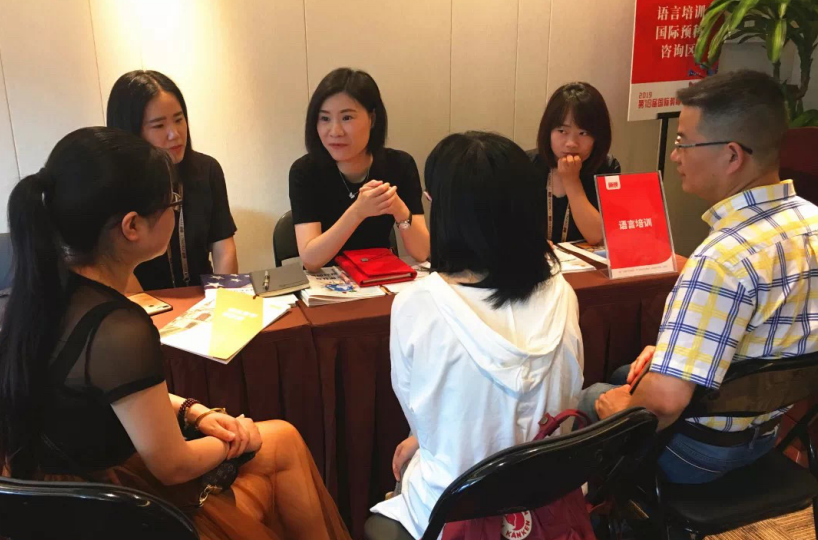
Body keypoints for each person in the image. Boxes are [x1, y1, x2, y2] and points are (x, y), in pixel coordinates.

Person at [0, 127, 351, 540]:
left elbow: (113, 397)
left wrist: (194, 411)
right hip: (111, 513)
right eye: (171, 203)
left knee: (284, 440)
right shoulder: (119, 329)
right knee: (274, 453)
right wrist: (238, 440)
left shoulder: (40, 292)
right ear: (132, 226)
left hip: (58, 499)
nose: (176, 212)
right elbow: (173, 465)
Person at [578, 70, 818, 484]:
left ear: (732, 156)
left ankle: (588, 512)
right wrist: (670, 352)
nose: (676, 156)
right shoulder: (811, 221)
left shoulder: (723, 257)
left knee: (589, 397)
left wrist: (617, 407)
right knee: (626, 373)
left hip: (698, 455)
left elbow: (665, 403)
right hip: (768, 433)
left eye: (684, 143)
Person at [368, 132, 585, 539]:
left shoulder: (417, 304)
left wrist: (424, 440)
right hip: (546, 504)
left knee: (406, 476)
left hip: (454, 512)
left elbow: (419, 414)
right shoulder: (562, 293)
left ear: (441, 210)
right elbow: (564, 404)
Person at [107, 70, 238, 291]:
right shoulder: (114, 184)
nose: (175, 134)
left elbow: (223, 246)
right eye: (159, 126)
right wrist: (151, 311)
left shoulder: (207, 170)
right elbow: (117, 267)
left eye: (179, 119)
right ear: (131, 133)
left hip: (204, 298)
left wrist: (224, 299)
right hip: (143, 302)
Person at [289, 68, 429, 271]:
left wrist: (399, 209)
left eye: (347, 118)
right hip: (325, 284)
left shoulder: (399, 165)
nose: (335, 131)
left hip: (380, 277)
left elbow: (422, 252)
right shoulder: (305, 171)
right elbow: (310, 260)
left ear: (372, 119)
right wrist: (357, 212)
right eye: (325, 119)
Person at [530, 82, 620, 245]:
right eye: (562, 131)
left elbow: (598, 237)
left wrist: (571, 181)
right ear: (547, 131)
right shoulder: (525, 164)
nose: (571, 143)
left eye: (583, 133)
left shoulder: (607, 167)